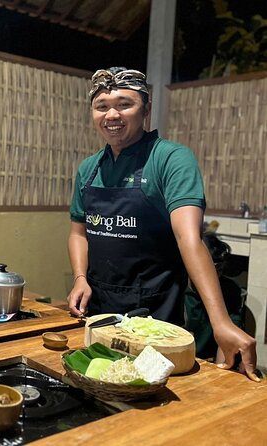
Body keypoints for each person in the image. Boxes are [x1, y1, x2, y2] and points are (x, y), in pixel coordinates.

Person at [66, 67, 259, 381]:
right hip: (99, 310)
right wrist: (79, 278)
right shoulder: (88, 168)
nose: (111, 114)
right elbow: (79, 232)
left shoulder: (171, 159)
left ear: (146, 109)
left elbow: (189, 239)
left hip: (155, 315)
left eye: (124, 104)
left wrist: (220, 320)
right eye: (101, 106)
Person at [185, 229, 246, 361]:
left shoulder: (230, 290)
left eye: (218, 269)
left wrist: (220, 372)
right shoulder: (177, 287)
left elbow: (228, 339)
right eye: (207, 268)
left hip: (210, 361)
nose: (213, 275)